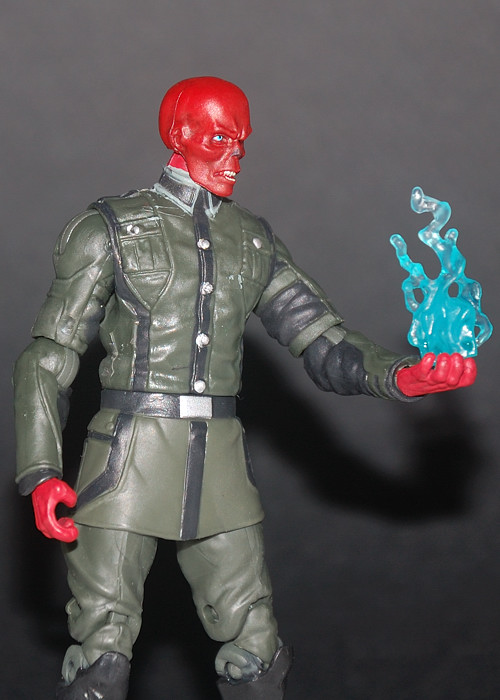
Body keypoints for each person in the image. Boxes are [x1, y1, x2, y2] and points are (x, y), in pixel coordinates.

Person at [14, 76, 476, 700]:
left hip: (219, 466)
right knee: (102, 652)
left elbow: (323, 342)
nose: (234, 155)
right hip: (126, 462)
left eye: (241, 142)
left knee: (257, 652)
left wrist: (401, 375)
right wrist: (41, 470)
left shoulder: (252, 241)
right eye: (218, 139)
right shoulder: (110, 229)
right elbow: (49, 356)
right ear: (178, 135)